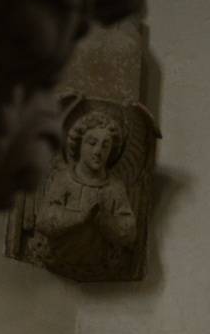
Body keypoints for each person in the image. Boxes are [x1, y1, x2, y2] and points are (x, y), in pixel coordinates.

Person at [36, 110, 136, 274]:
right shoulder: (64, 179)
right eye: (92, 143)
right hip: (59, 259)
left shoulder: (115, 187)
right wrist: (80, 217)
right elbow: (44, 220)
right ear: (79, 144)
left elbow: (129, 232)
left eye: (105, 146)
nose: (98, 151)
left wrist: (104, 220)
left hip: (101, 265)